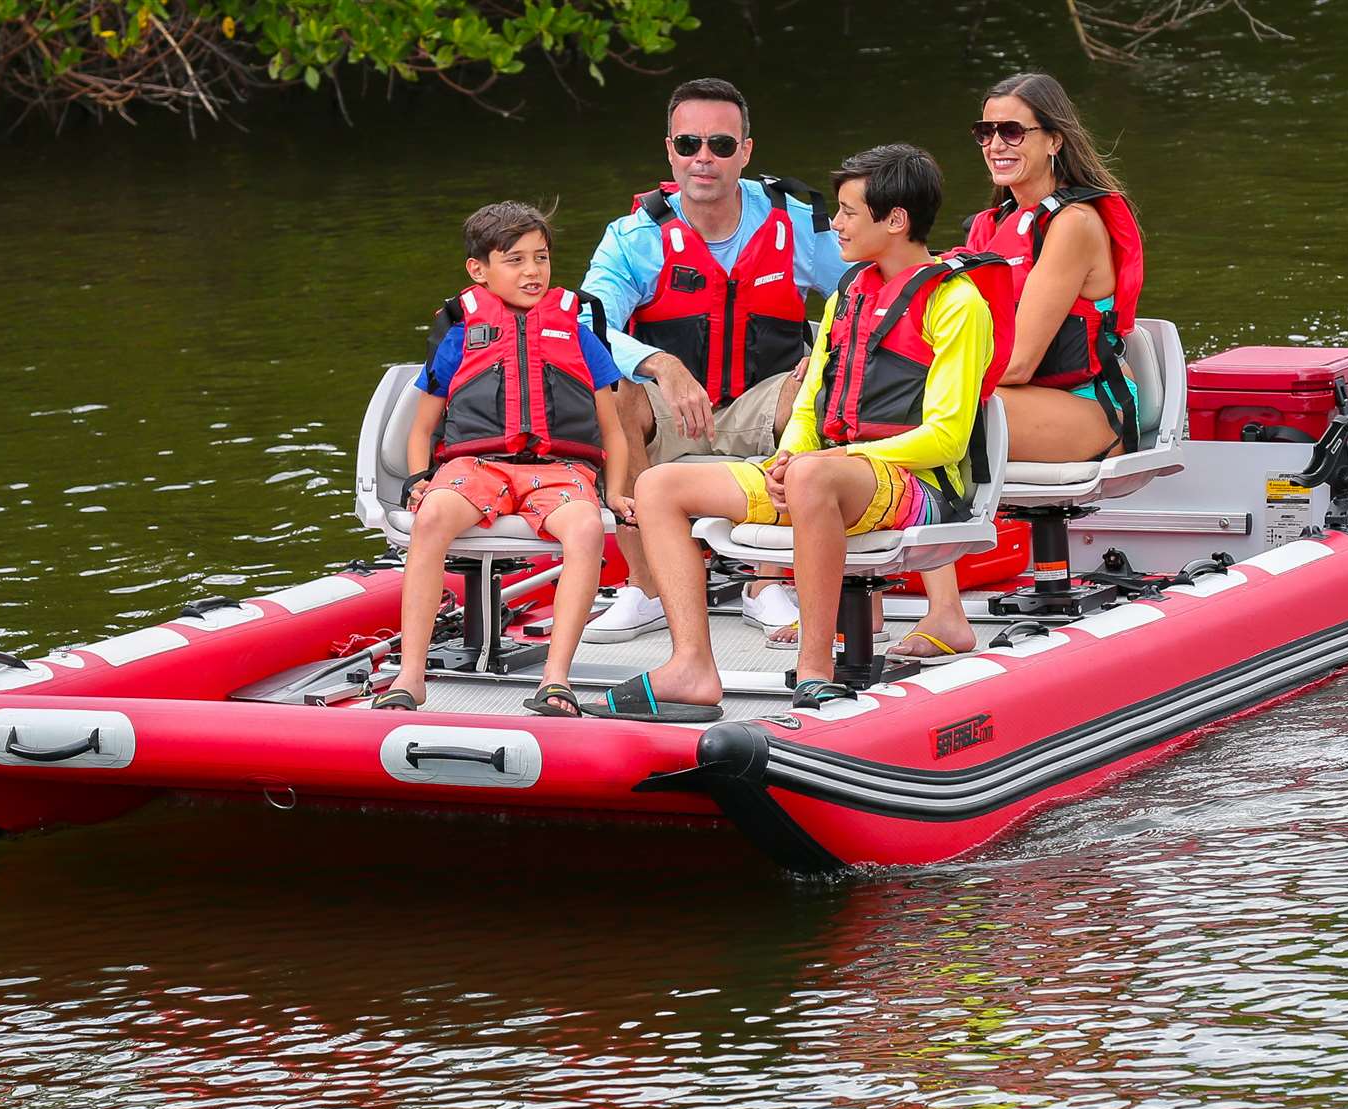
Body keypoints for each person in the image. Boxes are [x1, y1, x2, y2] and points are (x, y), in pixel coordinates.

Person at [587, 144, 1011, 721]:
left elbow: (947, 438)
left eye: (848, 213)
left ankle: (815, 671)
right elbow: (811, 407)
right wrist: (788, 457)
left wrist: (829, 462)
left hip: (922, 487)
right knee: (660, 486)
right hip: (826, 475)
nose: (835, 225)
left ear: (895, 220)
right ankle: (691, 666)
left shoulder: (957, 303)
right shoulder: (849, 294)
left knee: (812, 474)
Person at [887, 71, 1145, 664]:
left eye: (1012, 131)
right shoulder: (991, 225)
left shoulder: (1074, 224)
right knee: (871, 408)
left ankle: (946, 615)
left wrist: (928, 379)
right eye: (986, 132)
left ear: (1054, 139)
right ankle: (865, 595)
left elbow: (1022, 360)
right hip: (1019, 401)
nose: (996, 144)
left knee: (928, 416)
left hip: (1090, 408)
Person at [579, 77, 848, 644]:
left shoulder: (797, 222)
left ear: (745, 152)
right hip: (671, 409)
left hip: (763, 400)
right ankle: (647, 586)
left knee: (819, 387)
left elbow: (864, 293)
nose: (703, 158)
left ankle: (768, 581)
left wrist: (827, 350)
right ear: (670, 150)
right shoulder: (633, 236)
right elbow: (586, 323)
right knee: (614, 391)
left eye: (721, 145)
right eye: (689, 144)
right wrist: (660, 364)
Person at [374, 201, 634, 717]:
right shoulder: (458, 335)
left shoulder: (577, 334)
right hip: (477, 467)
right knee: (432, 519)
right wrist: (420, 479)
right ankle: (410, 677)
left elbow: (612, 430)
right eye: (515, 260)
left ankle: (555, 680)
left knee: (585, 530)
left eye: (541, 258)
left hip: (559, 471)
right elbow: (423, 428)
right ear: (479, 270)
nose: (532, 271)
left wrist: (618, 490)